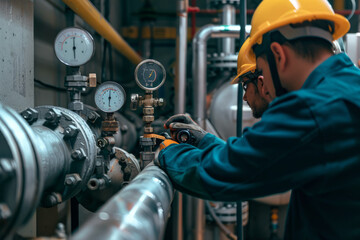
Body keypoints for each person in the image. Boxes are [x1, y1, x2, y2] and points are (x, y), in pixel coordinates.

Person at [156, 0, 360, 239]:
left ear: (278, 54)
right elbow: (265, 158)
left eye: (260, 69)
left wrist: (166, 152)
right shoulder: (348, 87)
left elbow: (226, 173)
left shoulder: (313, 107)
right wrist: (206, 142)